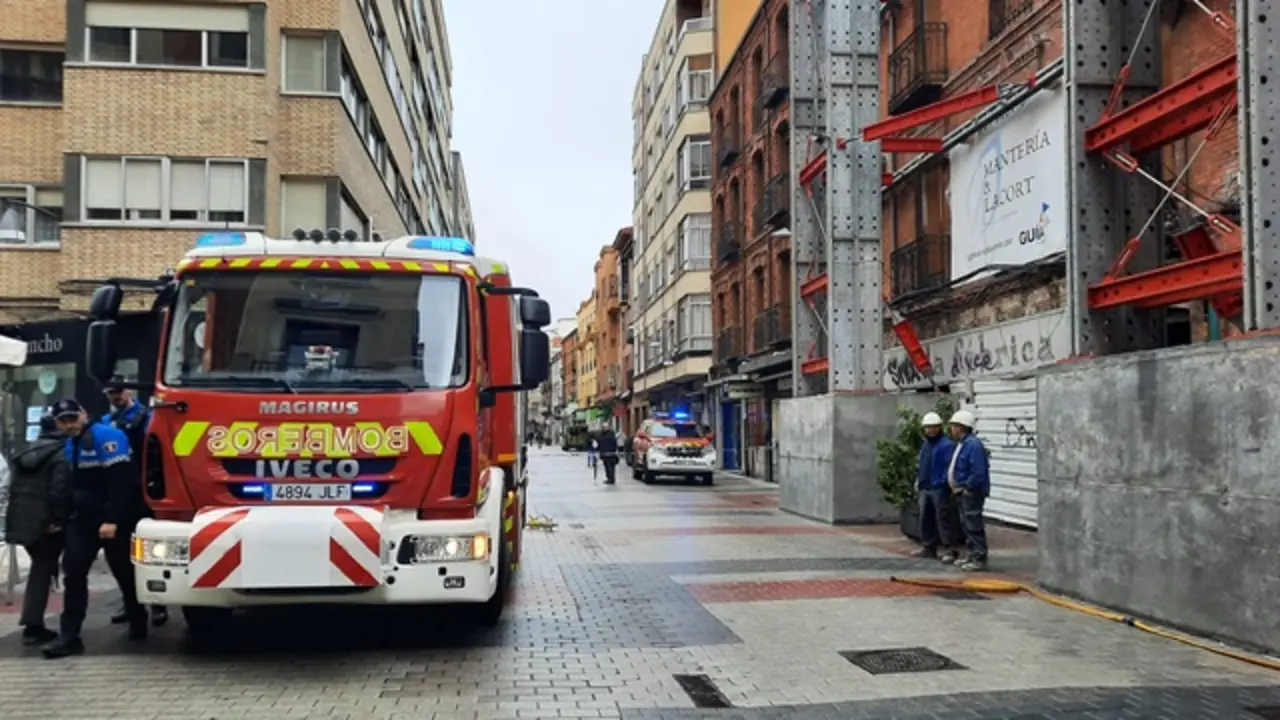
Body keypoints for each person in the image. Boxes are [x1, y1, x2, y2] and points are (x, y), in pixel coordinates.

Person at [42, 399, 147, 659]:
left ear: (83, 414)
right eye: (63, 420)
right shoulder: (70, 444)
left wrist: (112, 519)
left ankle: (138, 619)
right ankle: (70, 636)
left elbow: (122, 481)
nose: (69, 424)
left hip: (113, 519)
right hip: (83, 521)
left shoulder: (107, 436)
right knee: (74, 573)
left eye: (72, 418)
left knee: (124, 572)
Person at [101, 378, 168, 628]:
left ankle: (158, 603)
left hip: (143, 489)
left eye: (118, 392)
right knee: (121, 553)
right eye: (110, 393)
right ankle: (130, 602)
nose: (115, 397)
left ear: (129, 390)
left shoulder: (146, 416)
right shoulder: (106, 421)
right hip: (120, 491)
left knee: (150, 548)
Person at [4, 413, 71, 646]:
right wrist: (59, 520)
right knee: (44, 571)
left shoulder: (24, 452)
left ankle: (34, 623)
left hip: (24, 522)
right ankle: (33, 625)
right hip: (47, 523)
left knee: (40, 569)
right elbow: (59, 490)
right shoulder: (61, 453)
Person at [911, 412, 961, 564]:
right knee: (925, 518)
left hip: (939, 487)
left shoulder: (947, 445)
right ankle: (928, 547)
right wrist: (919, 480)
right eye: (927, 428)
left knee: (943, 519)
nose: (930, 430)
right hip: (926, 486)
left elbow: (950, 467)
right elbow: (923, 464)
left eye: (933, 427)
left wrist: (946, 483)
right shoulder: (926, 445)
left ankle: (950, 549)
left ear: (939, 428)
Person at [947, 410, 990, 572]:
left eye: (954, 426)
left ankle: (979, 557)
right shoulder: (964, 443)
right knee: (966, 524)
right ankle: (972, 554)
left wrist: (968, 487)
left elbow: (978, 471)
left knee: (973, 523)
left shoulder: (973, 445)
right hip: (962, 491)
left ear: (961, 427)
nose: (951, 429)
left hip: (971, 492)